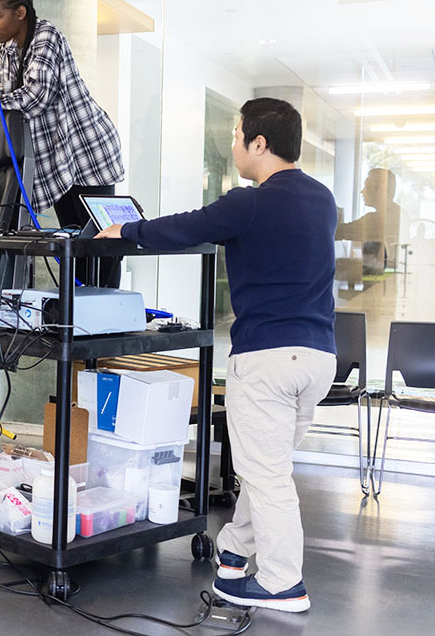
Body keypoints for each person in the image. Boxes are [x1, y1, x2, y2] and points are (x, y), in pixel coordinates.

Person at [96, 98, 336, 612]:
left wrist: (125, 230)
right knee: (266, 465)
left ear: (259, 143)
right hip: (318, 357)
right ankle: (234, 550)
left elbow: (185, 226)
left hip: (268, 358)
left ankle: (281, 583)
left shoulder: (249, 201)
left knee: (266, 473)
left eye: (236, 135)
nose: (232, 145)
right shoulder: (322, 199)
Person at [0, 0, 125, 286]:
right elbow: (4, 105)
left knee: (102, 246)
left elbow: (34, 98)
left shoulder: (47, 37)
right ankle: (81, 318)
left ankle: (108, 320)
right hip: (58, 160)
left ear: (20, 13)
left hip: (88, 153)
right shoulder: (7, 50)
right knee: (73, 244)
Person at [337, 167, 402, 275]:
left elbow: (340, 232)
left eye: (366, 186)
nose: (362, 191)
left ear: (379, 191)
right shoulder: (399, 212)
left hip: (376, 284)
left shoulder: (375, 220)